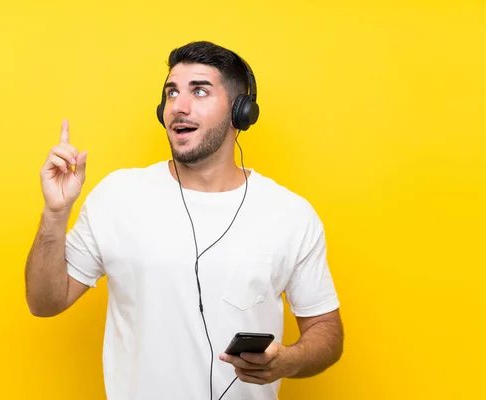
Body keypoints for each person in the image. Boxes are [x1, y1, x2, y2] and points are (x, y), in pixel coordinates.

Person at [25, 40, 344, 400]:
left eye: (200, 91)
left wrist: (289, 360)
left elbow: (326, 331)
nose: (179, 105)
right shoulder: (117, 196)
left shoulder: (290, 214)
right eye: (172, 92)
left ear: (241, 112)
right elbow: (44, 302)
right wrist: (55, 213)